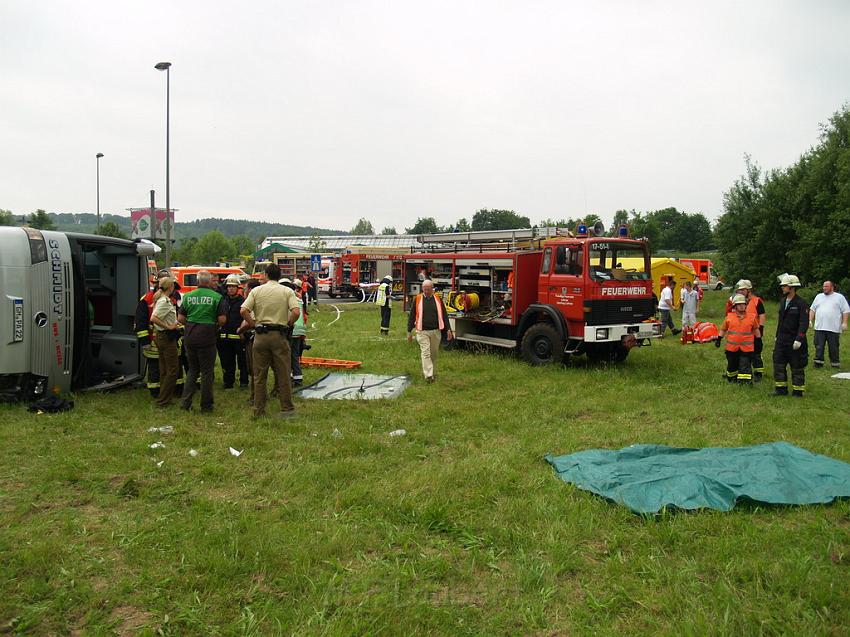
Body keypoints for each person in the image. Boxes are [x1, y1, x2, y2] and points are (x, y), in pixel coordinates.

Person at [240, 263, 301, 419]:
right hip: (278, 335)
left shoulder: (256, 290)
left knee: (259, 376)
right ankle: (287, 409)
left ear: (266, 275)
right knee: (283, 374)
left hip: (260, 336)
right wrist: (288, 324)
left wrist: (253, 324)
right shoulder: (287, 291)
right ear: (279, 276)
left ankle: (259, 410)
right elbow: (296, 311)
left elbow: (243, 310)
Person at [178, 270, 227, 412]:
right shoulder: (217, 297)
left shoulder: (187, 296)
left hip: (190, 336)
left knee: (192, 370)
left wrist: (192, 324)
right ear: (209, 281)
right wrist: (214, 326)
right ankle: (206, 406)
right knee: (206, 372)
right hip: (207, 337)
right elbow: (222, 320)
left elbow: (180, 318)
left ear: (198, 281)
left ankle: (185, 403)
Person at [407, 279, 453, 382]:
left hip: (436, 331)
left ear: (432, 289)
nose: (426, 291)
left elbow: (444, 314)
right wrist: (409, 331)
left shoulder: (438, 299)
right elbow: (412, 315)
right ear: (422, 288)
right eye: (425, 289)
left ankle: (431, 371)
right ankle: (428, 375)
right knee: (426, 353)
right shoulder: (418, 299)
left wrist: (448, 329)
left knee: (433, 353)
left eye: (428, 289)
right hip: (422, 331)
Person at [773, 273, 809, 397]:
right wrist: (777, 335)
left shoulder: (801, 303)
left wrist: (799, 339)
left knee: (797, 365)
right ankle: (780, 389)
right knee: (778, 363)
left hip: (794, 340)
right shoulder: (783, 301)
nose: (782, 287)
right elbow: (780, 321)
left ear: (792, 287)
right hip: (782, 339)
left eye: (785, 286)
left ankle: (798, 391)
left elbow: (803, 322)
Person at [726, 280, 767, 380]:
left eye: (742, 290)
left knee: (756, 353)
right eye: (739, 290)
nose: (740, 291)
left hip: (754, 330)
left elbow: (762, 314)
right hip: (742, 333)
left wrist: (760, 328)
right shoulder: (738, 301)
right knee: (739, 354)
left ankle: (758, 372)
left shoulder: (757, 301)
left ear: (748, 290)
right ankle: (737, 371)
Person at [149, 276, 181, 407]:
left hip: (161, 337)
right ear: (171, 287)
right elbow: (154, 318)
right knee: (173, 370)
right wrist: (169, 326)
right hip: (166, 337)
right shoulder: (164, 301)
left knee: (164, 370)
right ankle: (164, 400)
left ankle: (164, 398)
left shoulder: (161, 299)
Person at [716, 293, 761, 384]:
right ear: (735, 306)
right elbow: (723, 329)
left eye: (743, 304)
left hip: (747, 348)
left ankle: (745, 381)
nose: (741, 306)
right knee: (732, 364)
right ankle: (732, 378)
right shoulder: (729, 317)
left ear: (746, 305)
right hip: (732, 348)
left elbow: (756, 330)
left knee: (745, 364)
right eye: (739, 305)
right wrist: (719, 338)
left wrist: (758, 340)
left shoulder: (752, 317)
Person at [809, 280, 850, 369]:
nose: (824, 288)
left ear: (832, 287)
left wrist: (845, 322)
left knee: (834, 347)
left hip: (834, 328)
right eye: (823, 286)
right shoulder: (819, 297)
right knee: (818, 346)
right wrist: (810, 320)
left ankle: (835, 363)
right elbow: (812, 309)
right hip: (820, 327)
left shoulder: (839, 297)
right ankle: (818, 362)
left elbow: (846, 310)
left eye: (826, 286)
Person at [218, 274, 249, 389]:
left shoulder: (243, 301)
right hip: (224, 337)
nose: (230, 288)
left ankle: (243, 382)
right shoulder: (223, 301)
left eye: (233, 286)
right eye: (229, 286)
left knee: (242, 362)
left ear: (238, 288)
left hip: (239, 338)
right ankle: (228, 382)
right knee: (227, 362)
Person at [237, 278, 262, 403]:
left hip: (253, 338)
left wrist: (240, 330)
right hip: (252, 337)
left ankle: (255, 396)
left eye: (246, 288)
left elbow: (251, 320)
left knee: (254, 369)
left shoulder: (253, 301)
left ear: (251, 290)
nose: (244, 291)